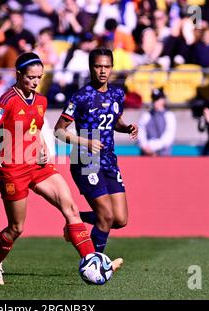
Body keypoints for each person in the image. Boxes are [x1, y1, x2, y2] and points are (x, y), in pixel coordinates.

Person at [0, 52, 123, 285]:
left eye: (39, 77)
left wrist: (44, 144)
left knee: (71, 210)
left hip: (39, 165)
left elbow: (34, 128)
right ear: (19, 75)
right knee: (16, 228)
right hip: (13, 169)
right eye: (31, 77)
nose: (36, 81)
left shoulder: (40, 101)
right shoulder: (7, 100)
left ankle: (92, 262)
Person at [54, 48, 138, 253]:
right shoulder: (81, 97)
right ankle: (94, 263)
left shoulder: (118, 93)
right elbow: (58, 131)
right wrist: (85, 142)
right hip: (85, 159)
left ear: (112, 68)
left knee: (120, 219)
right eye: (98, 66)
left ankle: (76, 218)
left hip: (109, 159)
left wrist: (126, 127)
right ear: (91, 68)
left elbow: (114, 121)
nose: (102, 71)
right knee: (106, 216)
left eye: (106, 66)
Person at [137, 88, 176, 156]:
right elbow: (140, 132)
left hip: (163, 154)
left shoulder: (169, 115)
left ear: (163, 100)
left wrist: (152, 147)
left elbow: (169, 136)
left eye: (158, 99)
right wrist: (145, 146)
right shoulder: (146, 115)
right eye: (154, 99)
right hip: (147, 154)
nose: (155, 102)